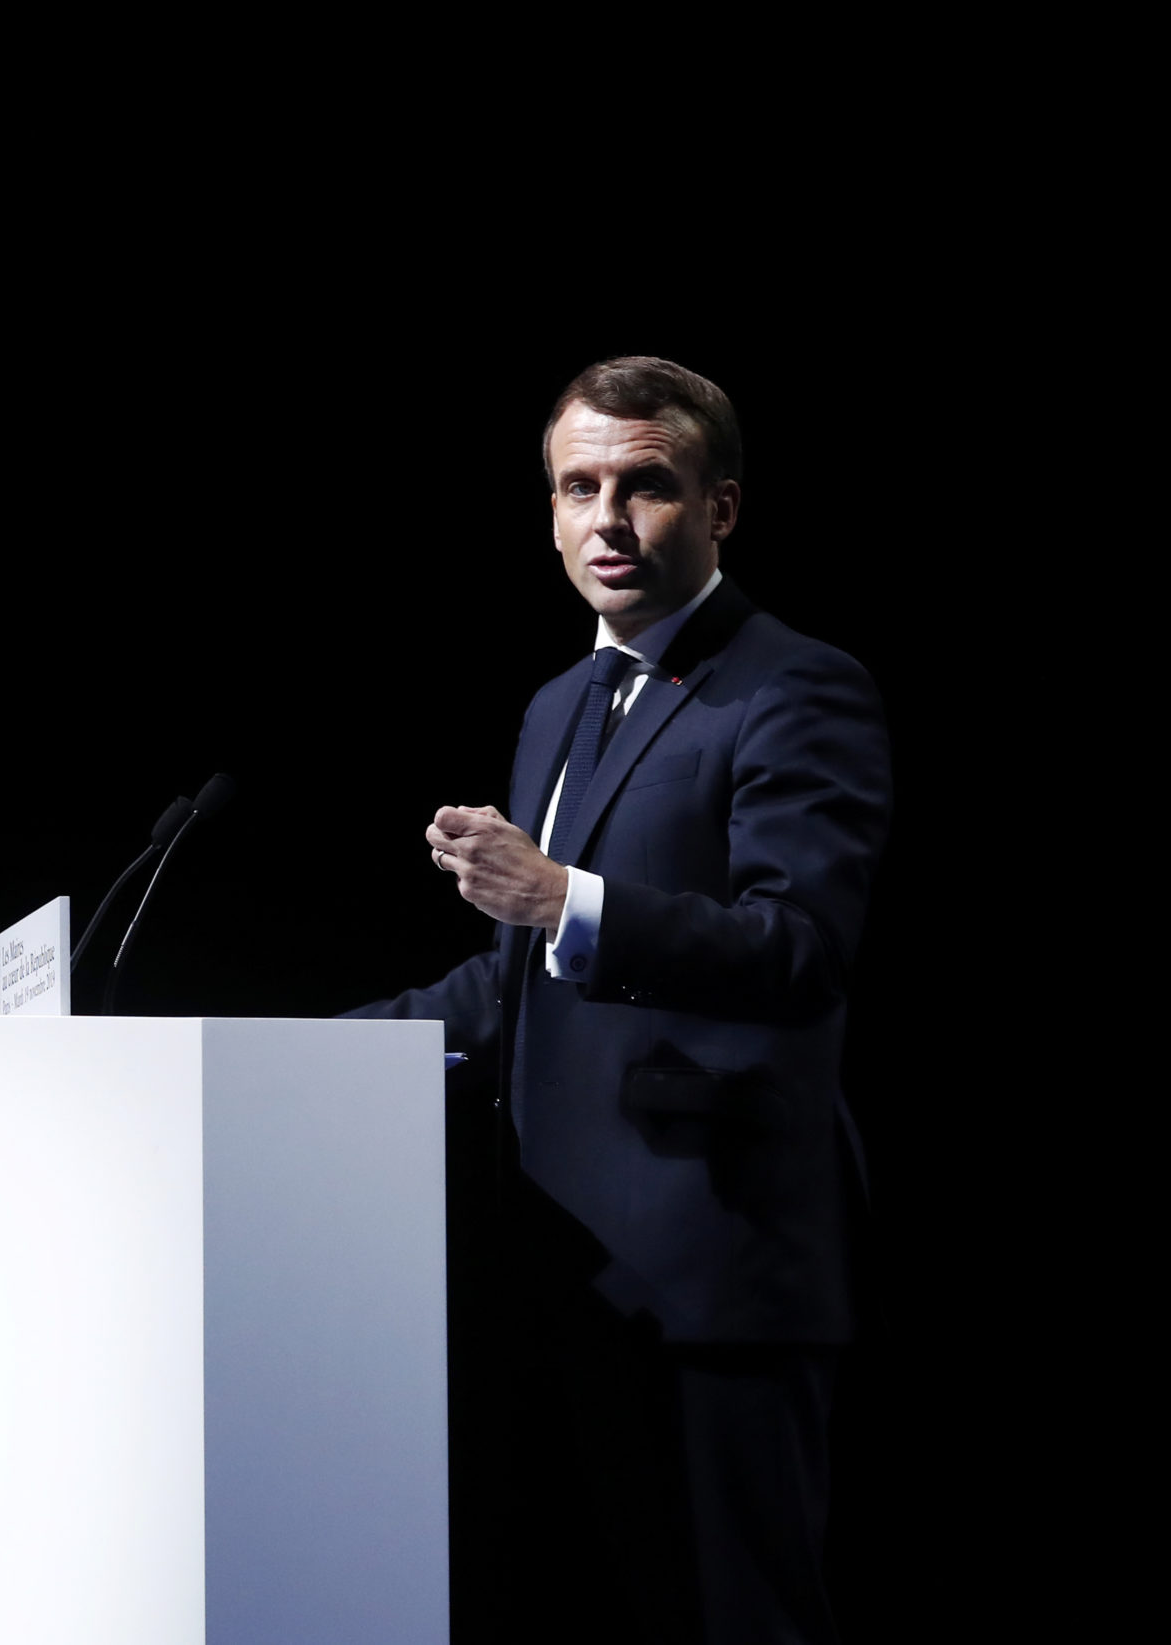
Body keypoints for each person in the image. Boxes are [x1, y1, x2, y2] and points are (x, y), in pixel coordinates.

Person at [344, 356, 893, 1644]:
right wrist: (299, 1055)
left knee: (741, 1619)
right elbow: (523, 980)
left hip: (720, 1262)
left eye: (646, 486)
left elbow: (798, 946)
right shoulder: (558, 707)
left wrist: (565, 899)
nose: (607, 519)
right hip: (567, 1263)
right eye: (577, 486)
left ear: (720, 509)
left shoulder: (796, 687)